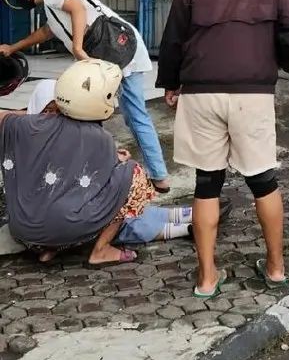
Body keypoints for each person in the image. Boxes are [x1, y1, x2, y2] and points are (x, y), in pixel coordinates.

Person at [156, 0, 289, 300]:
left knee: (206, 183)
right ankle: (276, 269)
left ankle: (207, 278)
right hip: (252, 93)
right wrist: (274, 57)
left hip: (201, 93)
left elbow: (174, 37)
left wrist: (170, 83)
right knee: (263, 180)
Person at [1, 63, 192, 267]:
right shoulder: (97, 136)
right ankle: (101, 250)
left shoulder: (17, 127)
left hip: (22, 231)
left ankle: (50, 248)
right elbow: (105, 181)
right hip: (66, 228)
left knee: (54, 191)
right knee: (133, 173)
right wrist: (120, 160)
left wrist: (27, 115)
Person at [2, 0, 171, 192]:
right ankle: (94, 170)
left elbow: (78, 9)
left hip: (120, 54)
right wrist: (13, 47)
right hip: (110, 56)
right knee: (88, 112)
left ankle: (159, 177)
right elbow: (47, 32)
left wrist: (78, 49)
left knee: (132, 115)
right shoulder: (52, 2)